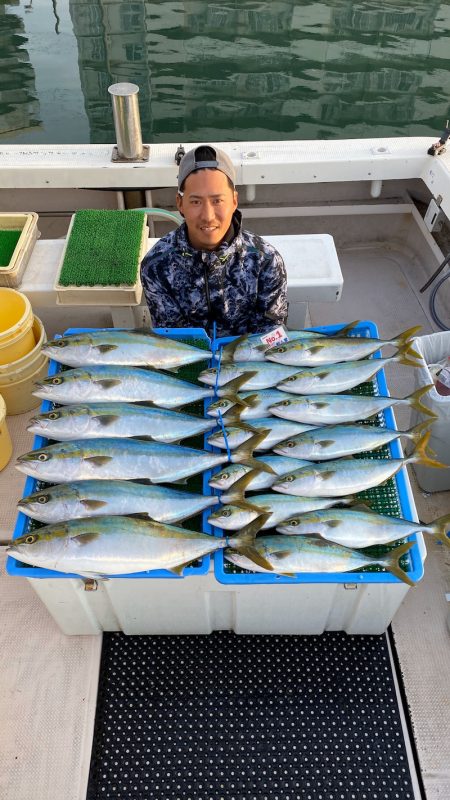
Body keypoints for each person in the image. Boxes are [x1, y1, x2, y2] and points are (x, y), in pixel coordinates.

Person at [140, 145, 288, 338]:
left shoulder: (266, 261)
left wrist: (237, 360)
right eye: (196, 202)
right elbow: (173, 337)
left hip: (249, 362)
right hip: (189, 361)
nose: (208, 216)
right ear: (179, 203)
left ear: (234, 201)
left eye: (217, 201)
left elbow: (271, 334)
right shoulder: (156, 265)